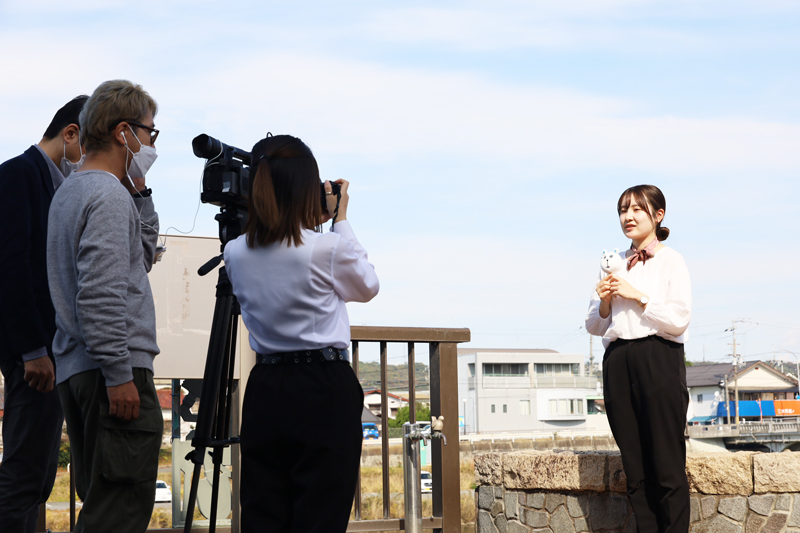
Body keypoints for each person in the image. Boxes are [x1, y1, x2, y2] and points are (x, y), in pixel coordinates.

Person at [223, 135, 379, 532]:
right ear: (306, 189)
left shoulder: (235, 252)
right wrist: (339, 218)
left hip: (266, 386)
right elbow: (367, 286)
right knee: (321, 514)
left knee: (265, 512)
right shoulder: (326, 248)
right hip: (323, 386)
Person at [46, 80, 163, 533]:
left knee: (101, 499)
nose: (152, 143)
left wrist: (140, 188)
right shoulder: (107, 197)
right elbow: (100, 293)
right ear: (123, 132)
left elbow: (142, 251)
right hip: (112, 372)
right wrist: (119, 373)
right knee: (117, 511)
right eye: (150, 132)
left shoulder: (72, 191)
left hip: (76, 368)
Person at [0, 95, 88, 532]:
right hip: (33, 351)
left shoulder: (58, 185)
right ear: (70, 134)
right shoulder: (18, 175)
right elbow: (12, 267)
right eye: (90, 150)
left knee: (37, 474)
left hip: (52, 350)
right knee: (23, 472)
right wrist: (33, 349)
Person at [585, 184, 691, 533]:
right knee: (635, 466)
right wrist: (604, 301)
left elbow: (678, 320)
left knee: (667, 464)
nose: (627, 217)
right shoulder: (612, 262)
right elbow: (594, 325)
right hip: (617, 360)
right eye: (622, 211)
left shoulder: (672, 260)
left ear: (657, 215)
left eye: (636, 210)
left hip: (657, 356)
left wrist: (638, 295)